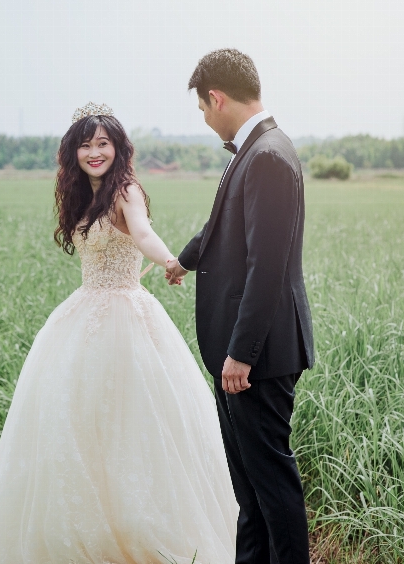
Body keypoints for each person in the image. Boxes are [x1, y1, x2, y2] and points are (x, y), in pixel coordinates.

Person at [0, 102, 238, 564]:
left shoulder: (126, 190)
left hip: (126, 318)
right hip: (83, 314)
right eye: (85, 145)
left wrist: (169, 260)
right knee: (76, 423)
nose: (94, 152)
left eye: (103, 143)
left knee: (133, 424)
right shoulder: (82, 195)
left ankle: (140, 532)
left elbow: (143, 233)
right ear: (74, 153)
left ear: (117, 148)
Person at [165, 49, 316, 564]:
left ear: (217, 97)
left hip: (258, 358)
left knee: (270, 487)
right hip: (242, 355)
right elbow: (222, 228)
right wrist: (184, 261)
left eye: (203, 109)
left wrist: (242, 354)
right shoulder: (254, 150)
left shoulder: (268, 155)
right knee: (248, 493)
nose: (205, 120)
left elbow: (266, 267)